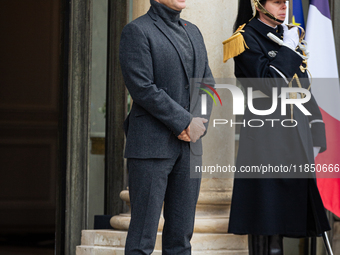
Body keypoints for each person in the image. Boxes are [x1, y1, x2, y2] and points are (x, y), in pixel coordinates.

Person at [223, 0, 330, 254]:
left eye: (286, 2)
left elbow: (303, 88)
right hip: (265, 139)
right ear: (258, 4)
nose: (284, 7)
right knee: (265, 219)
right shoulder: (246, 37)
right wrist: (289, 50)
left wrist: (316, 130)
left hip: (295, 138)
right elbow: (270, 85)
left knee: (286, 220)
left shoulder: (287, 34)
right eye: (277, 2)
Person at [119, 0, 214, 254]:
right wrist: (184, 122)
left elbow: (208, 84)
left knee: (181, 240)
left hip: (190, 147)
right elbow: (142, 87)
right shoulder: (137, 31)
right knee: (142, 240)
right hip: (151, 147)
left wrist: (198, 125)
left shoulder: (193, 31)